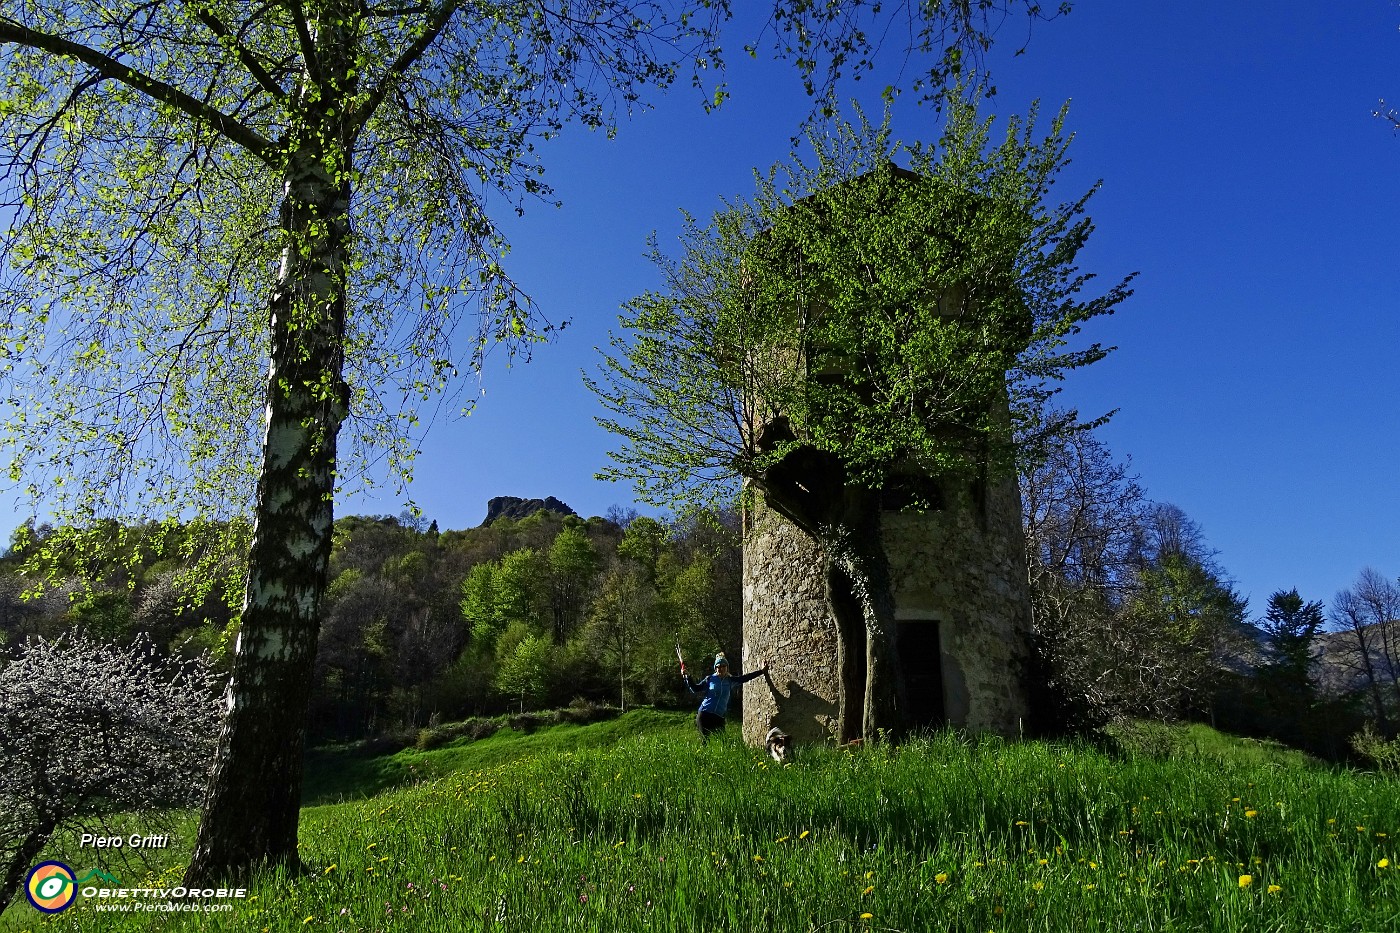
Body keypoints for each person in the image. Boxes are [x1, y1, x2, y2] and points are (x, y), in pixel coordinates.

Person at [681, 653, 767, 741]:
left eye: (723, 666)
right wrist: (688, 677)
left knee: (723, 742)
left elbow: (745, 678)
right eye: (718, 666)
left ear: (727, 667)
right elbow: (695, 689)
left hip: (719, 716)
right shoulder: (709, 679)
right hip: (705, 714)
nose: (721, 668)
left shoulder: (730, 680)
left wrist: (761, 671)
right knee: (705, 741)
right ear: (715, 668)